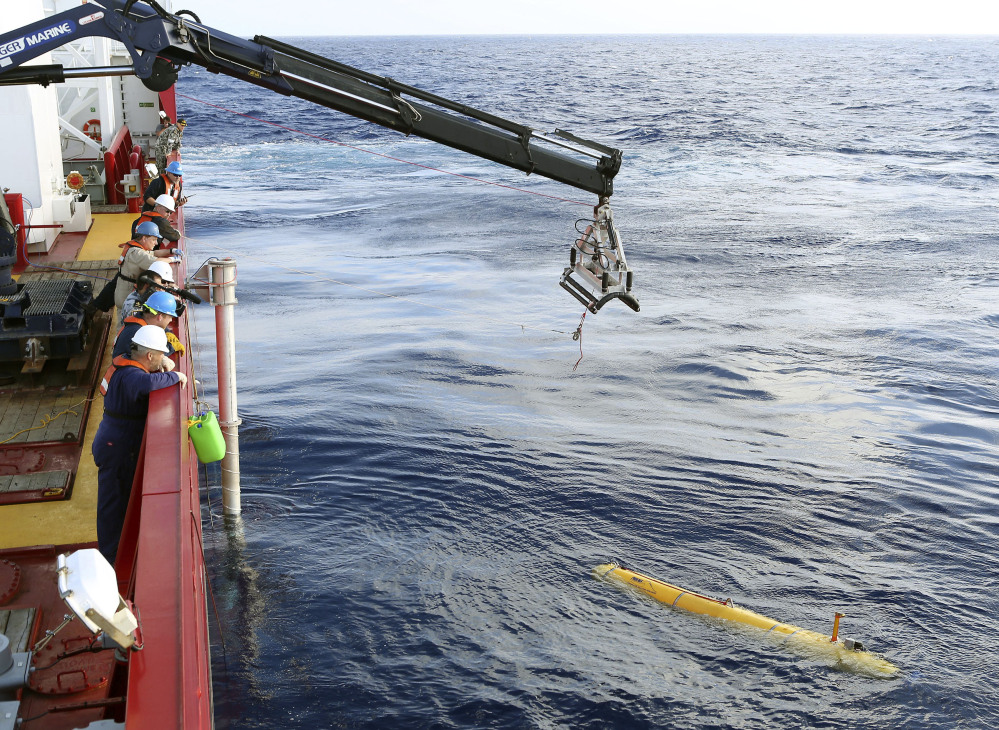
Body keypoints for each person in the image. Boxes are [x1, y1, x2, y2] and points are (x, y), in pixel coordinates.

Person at [94, 325, 187, 564]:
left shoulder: (123, 361)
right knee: (112, 505)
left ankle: (116, 551)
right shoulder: (133, 377)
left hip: (112, 439)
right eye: (160, 354)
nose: (163, 358)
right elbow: (147, 385)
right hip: (116, 448)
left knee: (117, 500)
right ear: (148, 356)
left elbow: (147, 376)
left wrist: (163, 363)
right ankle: (111, 558)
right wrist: (175, 375)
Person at [113, 220, 180, 310]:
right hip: (126, 296)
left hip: (126, 291)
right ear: (144, 238)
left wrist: (171, 251)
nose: (156, 243)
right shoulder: (136, 252)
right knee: (131, 315)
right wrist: (172, 259)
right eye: (154, 239)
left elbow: (154, 253)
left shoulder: (136, 248)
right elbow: (156, 262)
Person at [113, 291, 179, 359]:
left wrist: (167, 332)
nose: (171, 320)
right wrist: (172, 346)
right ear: (160, 317)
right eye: (171, 316)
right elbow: (154, 356)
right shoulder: (139, 333)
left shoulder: (140, 318)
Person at [118, 260, 175, 328]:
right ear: (147, 286)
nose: (161, 291)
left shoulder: (141, 296)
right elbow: (149, 325)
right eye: (158, 288)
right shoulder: (134, 307)